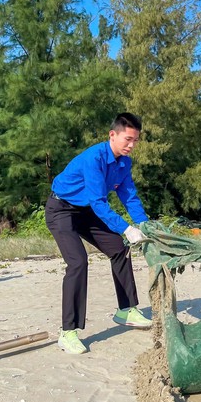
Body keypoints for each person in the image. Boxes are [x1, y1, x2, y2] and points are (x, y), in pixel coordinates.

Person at [45, 113, 152, 355]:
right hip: (61, 209)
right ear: (112, 135)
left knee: (119, 249)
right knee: (78, 262)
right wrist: (126, 228)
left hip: (86, 211)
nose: (132, 145)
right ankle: (68, 333)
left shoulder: (124, 163)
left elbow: (129, 196)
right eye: (127, 139)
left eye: (135, 140)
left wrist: (144, 225)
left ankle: (126, 310)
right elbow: (98, 202)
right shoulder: (94, 158)